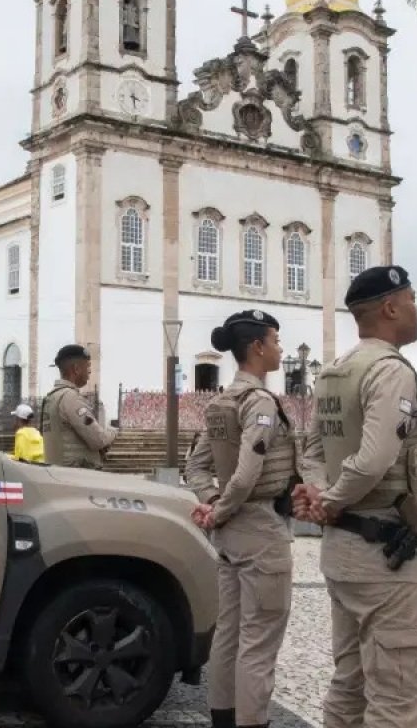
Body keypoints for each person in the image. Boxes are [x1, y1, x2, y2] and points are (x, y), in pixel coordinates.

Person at [291, 265, 417, 728]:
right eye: (412, 299)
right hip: (383, 552)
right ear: (390, 308)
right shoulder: (389, 372)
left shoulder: (334, 373)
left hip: (343, 552)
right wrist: (329, 500)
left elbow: (311, 449)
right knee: (397, 695)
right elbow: (374, 461)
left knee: (349, 685)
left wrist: (318, 492)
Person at [183, 310, 297, 728]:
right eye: (277, 340)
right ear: (258, 347)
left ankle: (223, 720)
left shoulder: (219, 402)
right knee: (259, 641)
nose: (281, 348)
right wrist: (221, 509)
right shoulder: (259, 402)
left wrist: (213, 503)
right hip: (259, 527)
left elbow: (194, 468)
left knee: (229, 634)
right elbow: (250, 471)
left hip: (230, 533)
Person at [39, 344, 117, 469]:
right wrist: (114, 432)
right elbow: (98, 439)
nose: (90, 371)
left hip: (57, 474)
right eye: (88, 367)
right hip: (76, 477)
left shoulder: (50, 398)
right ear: (76, 369)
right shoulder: (70, 398)